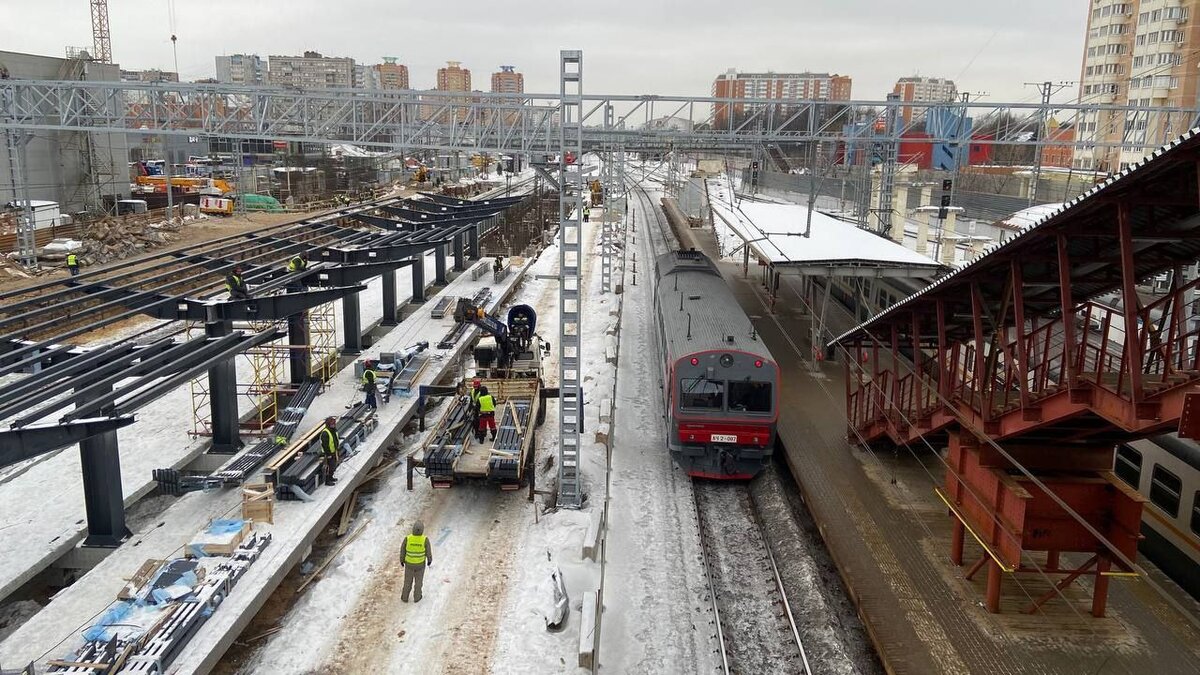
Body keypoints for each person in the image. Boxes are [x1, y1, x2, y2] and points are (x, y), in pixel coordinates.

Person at [401, 520, 433, 603]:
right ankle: (417, 597)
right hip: (420, 565)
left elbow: (403, 550)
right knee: (418, 582)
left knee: (407, 582)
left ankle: (404, 597)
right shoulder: (425, 539)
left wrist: (402, 560)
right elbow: (428, 551)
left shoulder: (408, 538)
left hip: (409, 564)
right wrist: (429, 560)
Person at [320, 416, 340, 486]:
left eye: (334, 424)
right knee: (329, 467)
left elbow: (335, 440)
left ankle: (331, 477)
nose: (333, 425)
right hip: (328, 453)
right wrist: (328, 454)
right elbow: (325, 445)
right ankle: (327, 481)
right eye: (332, 424)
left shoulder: (334, 430)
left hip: (334, 451)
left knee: (333, 466)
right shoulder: (325, 433)